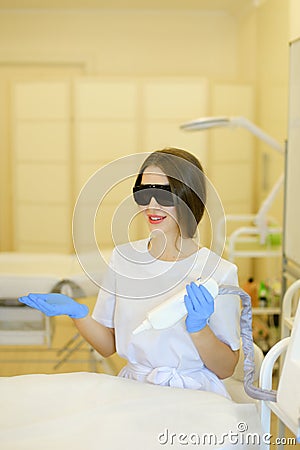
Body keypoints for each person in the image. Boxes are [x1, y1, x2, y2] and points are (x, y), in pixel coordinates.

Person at [19, 147, 240, 398]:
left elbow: (226, 368)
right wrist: (77, 313)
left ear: (190, 197)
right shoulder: (123, 259)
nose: (152, 205)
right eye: (144, 194)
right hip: (133, 390)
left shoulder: (219, 273)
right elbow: (108, 346)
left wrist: (199, 329)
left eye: (165, 196)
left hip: (195, 395)